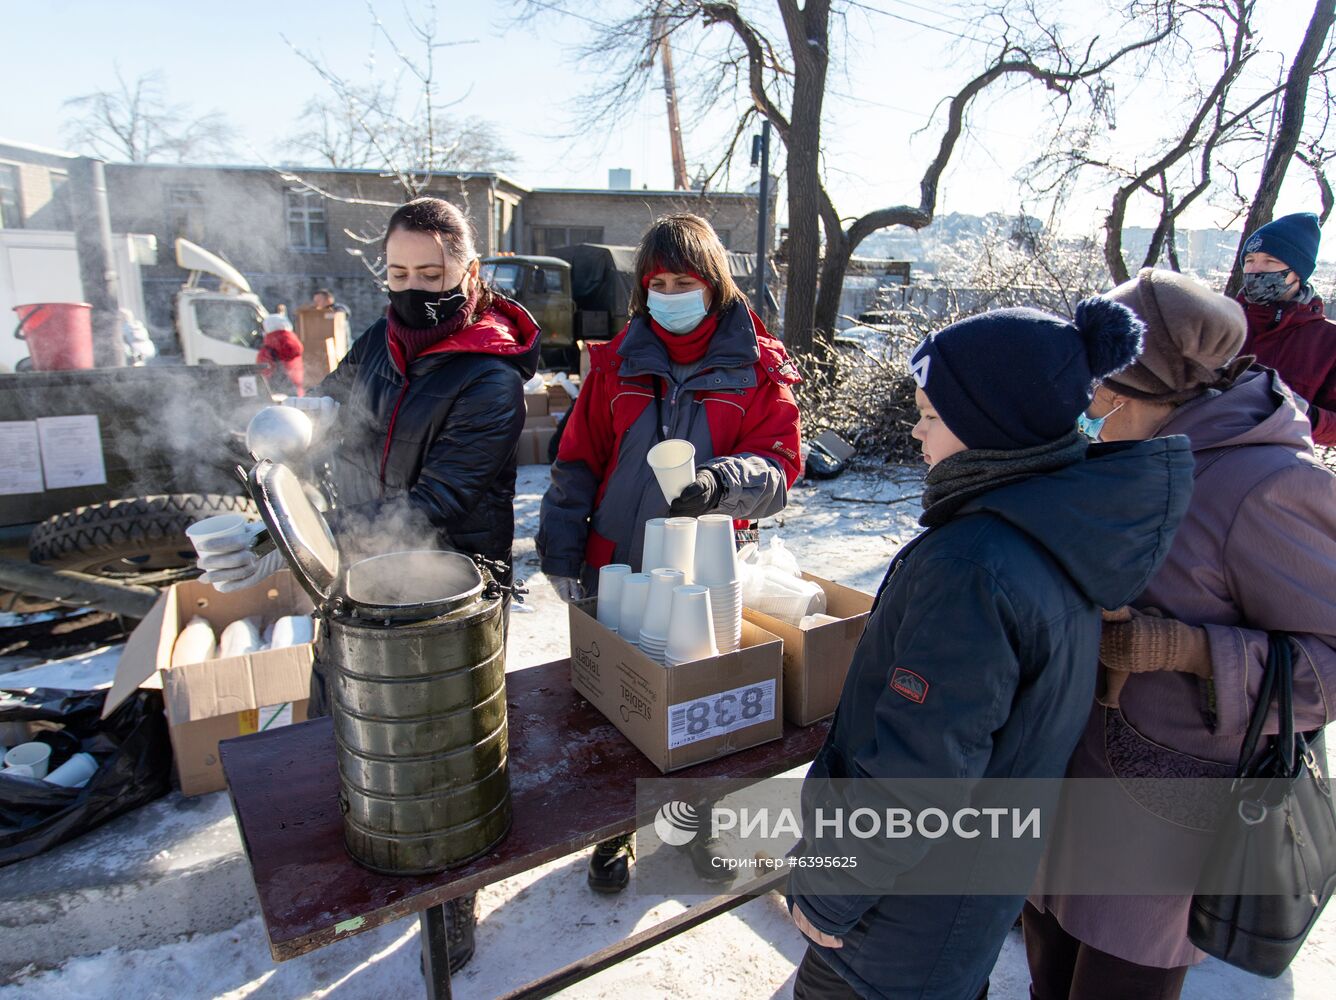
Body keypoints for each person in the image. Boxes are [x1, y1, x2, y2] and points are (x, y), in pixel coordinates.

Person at [786, 301, 1195, 1000]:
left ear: (991, 429)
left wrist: (828, 888)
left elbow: (921, 769)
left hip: (893, 924)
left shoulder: (974, 565)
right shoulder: (1050, 530)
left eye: (932, 416)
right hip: (958, 905)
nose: (915, 429)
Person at [193, 196, 542, 973]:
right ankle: (357, 865)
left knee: (444, 756)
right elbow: (338, 421)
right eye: (398, 271)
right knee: (344, 721)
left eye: (433, 272)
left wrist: (301, 546)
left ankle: (453, 903)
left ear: (469, 270)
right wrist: (292, 447)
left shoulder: (489, 378)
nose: (414, 287)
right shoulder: (381, 343)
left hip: (445, 589)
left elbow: (434, 507)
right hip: (357, 573)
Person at [1026, 268, 1336, 1000]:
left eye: (1105, 391)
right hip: (1068, 787)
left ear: (1167, 389)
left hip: (1162, 818)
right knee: (1047, 982)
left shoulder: (1269, 486)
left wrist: (1189, 650)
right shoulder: (1126, 455)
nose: (1088, 407)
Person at [536, 213, 802, 893]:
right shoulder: (616, 363)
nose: (669, 292)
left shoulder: (758, 369)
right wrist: (561, 545)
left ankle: (698, 821)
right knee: (617, 705)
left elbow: (778, 470)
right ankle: (614, 829)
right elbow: (576, 460)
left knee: (698, 704)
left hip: (701, 576)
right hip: (615, 564)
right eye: (656, 282)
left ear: (713, 284)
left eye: (683, 280)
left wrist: (722, 482)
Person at [1233, 211, 1336, 445]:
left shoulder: (1328, 342)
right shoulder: (1219, 322)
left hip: (1274, 468)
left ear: (1297, 273)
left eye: (1270, 261)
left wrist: (1304, 416)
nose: (1256, 270)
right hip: (1201, 462)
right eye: (1250, 260)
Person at [257, 309, 304, 396]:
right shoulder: (295, 344)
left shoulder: (268, 348)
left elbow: (263, 375)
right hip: (296, 392)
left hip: (276, 395)